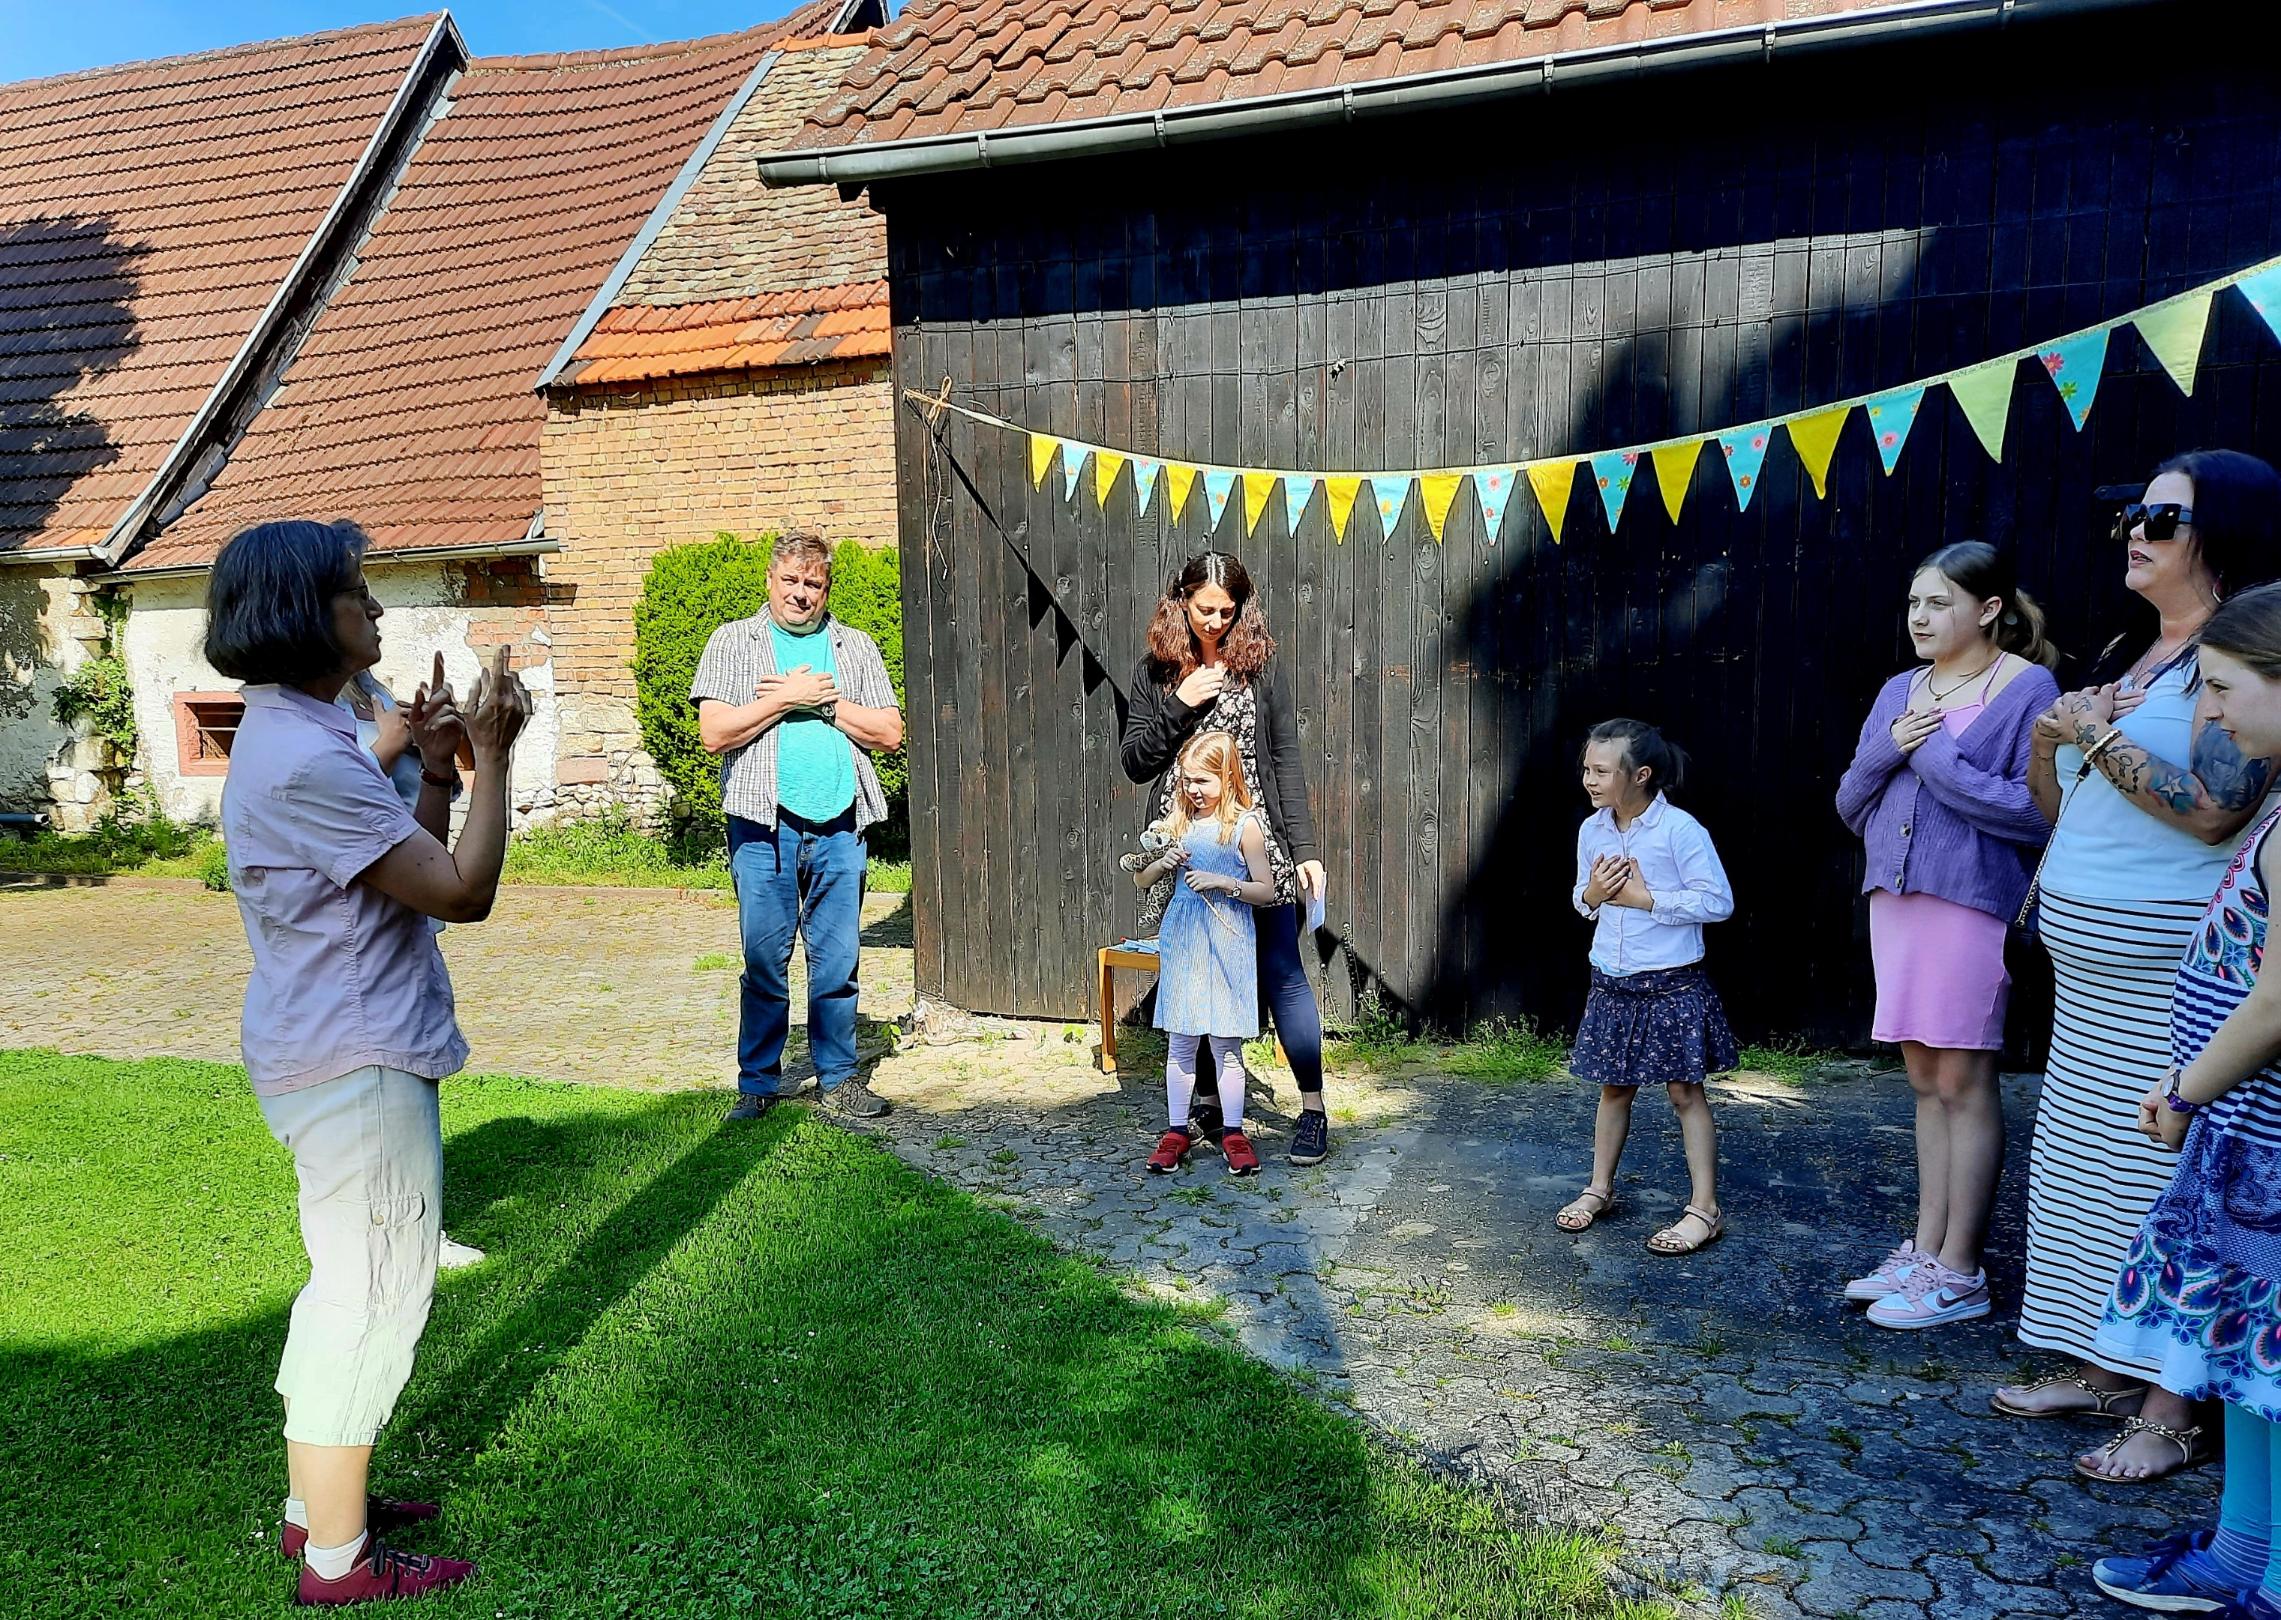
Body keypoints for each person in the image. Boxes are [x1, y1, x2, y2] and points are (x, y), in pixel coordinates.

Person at [210, 519, 531, 1605]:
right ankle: (340, 1565)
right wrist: (495, 754)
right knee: (374, 1298)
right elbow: (461, 892)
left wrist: (437, 770)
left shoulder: (298, 730)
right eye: (358, 595)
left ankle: (323, 1511)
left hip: (332, 1047)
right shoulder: (307, 754)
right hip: (356, 1062)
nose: (379, 612)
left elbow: (412, 855)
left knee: (342, 1284)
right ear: (305, 615)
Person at [1993, 451, 2281, 1485]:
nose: (2137, 530)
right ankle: (2105, 1364)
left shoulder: (2243, 653)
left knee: (2166, 1170)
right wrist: (2049, 739)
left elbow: (2212, 811)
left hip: (2170, 967)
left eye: (2164, 516)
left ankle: (2171, 1406)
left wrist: (2096, 731)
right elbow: (2066, 806)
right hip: (2088, 967)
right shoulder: (2135, 648)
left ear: (2224, 532)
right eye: (2131, 513)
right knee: (2087, 1165)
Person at [2086, 582, 2281, 1615]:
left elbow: (2279, 997)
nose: (2207, 713)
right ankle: (2241, 1554)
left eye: (2220, 688)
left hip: (2266, 1138)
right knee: (2254, 1361)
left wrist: (2183, 1089)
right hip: (2250, 1143)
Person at [1834, 543, 2061, 1329]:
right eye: (1912, 605)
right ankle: (1925, 1250)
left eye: (1937, 604)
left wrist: (1931, 755)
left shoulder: (2027, 688)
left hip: (1970, 904)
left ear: (1988, 608)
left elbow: (2034, 813)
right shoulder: (1900, 688)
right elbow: (1850, 800)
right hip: (1892, 901)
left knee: (1963, 1084)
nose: (1919, 619)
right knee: (1926, 1082)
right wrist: (1891, 745)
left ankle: (1961, 1270)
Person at [1120, 552, 1330, 1166]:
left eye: (1227, 611)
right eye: (1203, 609)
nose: (1215, 621)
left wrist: (1307, 851)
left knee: (1281, 973)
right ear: (1180, 601)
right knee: (1201, 975)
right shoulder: (1157, 672)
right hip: (1188, 848)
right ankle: (1208, 1103)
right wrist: (1180, 702)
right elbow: (1136, 762)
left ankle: (1313, 1110)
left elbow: (1283, 759)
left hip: (1254, 845)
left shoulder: (1260, 667)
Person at [692, 531, 905, 1121]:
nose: (801, 594)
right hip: (764, 826)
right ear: (770, 580)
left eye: (813, 583)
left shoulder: (854, 647)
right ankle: (758, 1083)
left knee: (837, 961)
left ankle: (838, 1080)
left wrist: (826, 705)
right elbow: (716, 733)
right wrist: (785, 699)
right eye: (791, 580)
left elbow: (890, 733)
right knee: (765, 959)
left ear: (827, 588)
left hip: (841, 824)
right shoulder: (734, 643)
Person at [1556, 719, 1736, 1256]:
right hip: (1611, 983)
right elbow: (1583, 900)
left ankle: (1705, 1209)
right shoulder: (1593, 830)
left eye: (1601, 770)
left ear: (1641, 776)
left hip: (1671, 984)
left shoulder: (1681, 831)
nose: (1588, 779)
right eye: (1586, 768)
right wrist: (1588, 894)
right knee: (1614, 1088)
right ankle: (1599, 1190)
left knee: (1685, 1092)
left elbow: (1718, 902)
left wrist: (1648, 899)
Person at [338, 656, 483, 1270]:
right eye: (353, 593)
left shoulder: (368, 686)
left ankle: (413, 1224)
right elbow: (324, 794)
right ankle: (387, 1230)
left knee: (407, 1062)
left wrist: (433, 749)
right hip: (363, 910)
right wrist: (393, 742)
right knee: (377, 1074)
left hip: (404, 887)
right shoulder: (300, 715)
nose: (372, 606)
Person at [1129, 732, 1282, 1177]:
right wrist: (1164, 863)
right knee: (1181, 1041)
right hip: (1186, 941)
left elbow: (1266, 889)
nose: (1193, 790)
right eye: (1186, 781)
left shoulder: (1244, 826)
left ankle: (1233, 1132)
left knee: (1226, 1045)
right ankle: (1177, 1129)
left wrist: (1222, 882)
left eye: (1202, 781)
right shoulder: (1177, 823)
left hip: (1229, 939)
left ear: (1227, 777)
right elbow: (1142, 880)